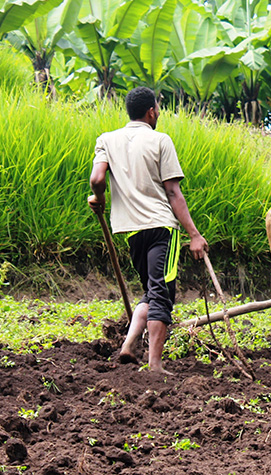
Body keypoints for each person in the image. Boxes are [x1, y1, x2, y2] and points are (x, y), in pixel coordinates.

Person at [88, 86, 208, 374]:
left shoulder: (107, 140)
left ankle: (129, 345)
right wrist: (194, 234)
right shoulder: (160, 140)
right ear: (151, 111)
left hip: (130, 231)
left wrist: (100, 198)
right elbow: (173, 193)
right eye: (158, 109)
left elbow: (96, 178)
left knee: (153, 291)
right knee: (162, 295)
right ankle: (155, 364)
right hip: (160, 229)